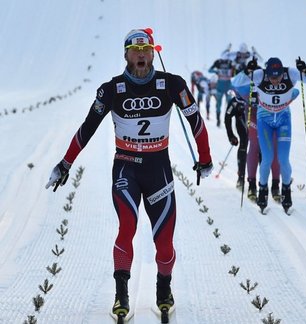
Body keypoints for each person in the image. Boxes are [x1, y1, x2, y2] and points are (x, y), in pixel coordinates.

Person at [44, 29, 213, 319]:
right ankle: (121, 293)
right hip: (126, 167)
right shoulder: (111, 89)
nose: (141, 55)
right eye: (135, 51)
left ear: (152, 53)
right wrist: (65, 163)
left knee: (164, 242)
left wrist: (205, 158)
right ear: (125, 55)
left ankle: (164, 289)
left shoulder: (171, 84)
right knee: (127, 227)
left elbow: (195, 121)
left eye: (146, 49)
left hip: (158, 170)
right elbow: (87, 128)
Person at [232, 57, 306, 212]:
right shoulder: (259, 75)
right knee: (267, 158)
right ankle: (262, 191)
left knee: (283, 159)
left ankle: (286, 190)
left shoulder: (291, 73)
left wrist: (305, 70)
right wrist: (247, 71)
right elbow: (236, 82)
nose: (274, 81)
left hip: (283, 119)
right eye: (271, 77)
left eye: (277, 77)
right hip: (264, 119)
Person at [226, 86, 282, 201]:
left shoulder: (255, 96)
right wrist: (231, 136)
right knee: (244, 147)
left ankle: (262, 181)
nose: (240, 99)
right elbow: (227, 118)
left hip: (255, 125)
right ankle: (241, 177)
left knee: (260, 150)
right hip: (243, 128)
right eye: (238, 96)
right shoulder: (235, 103)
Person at [208, 54, 236, 126]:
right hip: (221, 87)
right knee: (219, 104)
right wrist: (216, 72)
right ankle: (219, 120)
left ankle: (227, 119)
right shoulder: (219, 62)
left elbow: (235, 72)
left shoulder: (230, 63)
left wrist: (233, 70)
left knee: (229, 105)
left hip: (226, 87)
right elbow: (209, 70)